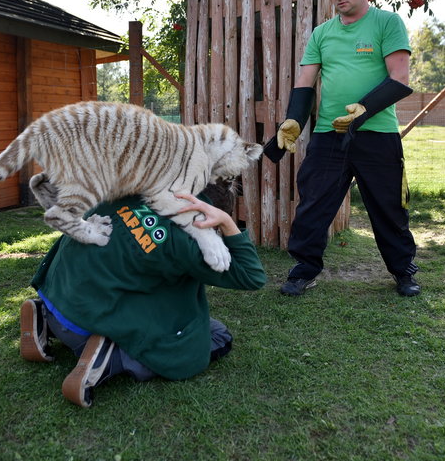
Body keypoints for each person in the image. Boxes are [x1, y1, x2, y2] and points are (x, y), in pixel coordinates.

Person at [19, 174, 266, 407]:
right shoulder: (190, 239)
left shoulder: (129, 187)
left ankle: (44, 319)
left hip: (56, 299)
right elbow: (252, 276)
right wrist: (227, 222)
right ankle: (112, 358)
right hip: (89, 327)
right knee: (217, 336)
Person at [264, 0, 421, 298]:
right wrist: (292, 120)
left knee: (389, 206)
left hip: (377, 134)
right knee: (313, 204)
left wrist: (362, 111)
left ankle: (403, 271)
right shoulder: (322, 33)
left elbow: (400, 79)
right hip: (328, 135)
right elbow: (305, 83)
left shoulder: (387, 23)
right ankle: (304, 270)